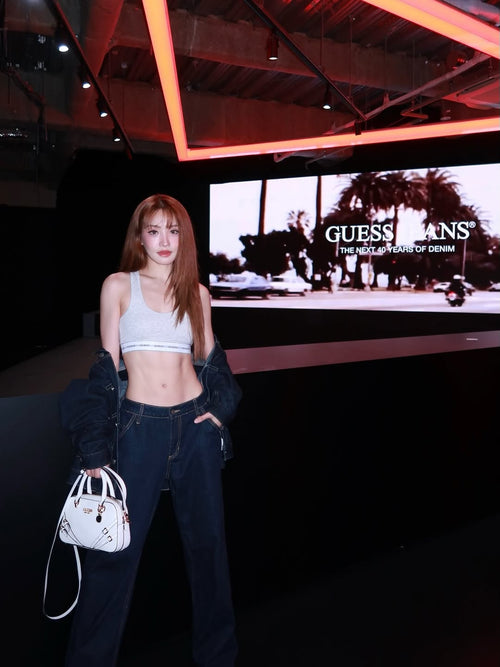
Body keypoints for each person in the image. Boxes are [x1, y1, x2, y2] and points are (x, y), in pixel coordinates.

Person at [62, 194, 241, 667]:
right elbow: (106, 368)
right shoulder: (119, 285)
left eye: (173, 231)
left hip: (195, 427)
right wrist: (96, 445)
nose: (164, 240)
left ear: (184, 238)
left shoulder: (197, 293)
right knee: (114, 555)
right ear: (139, 237)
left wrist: (218, 412)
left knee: (209, 551)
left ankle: (218, 657)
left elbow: (211, 360)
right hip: (139, 428)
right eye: (155, 230)